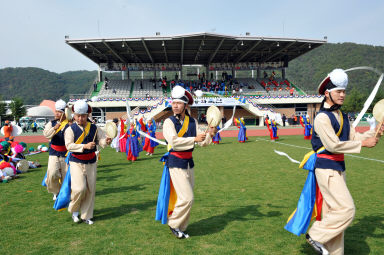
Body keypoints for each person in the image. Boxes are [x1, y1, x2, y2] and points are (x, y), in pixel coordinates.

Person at [288, 69, 383, 255]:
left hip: (339, 168)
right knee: (346, 210)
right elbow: (333, 145)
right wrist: (364, 143)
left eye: (344, 91)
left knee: (334, 214)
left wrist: (375, 132)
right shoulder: (322, 118)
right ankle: (315, 234)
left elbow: (355, 137)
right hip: (327, 169)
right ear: (327, 93)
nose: (342, 95)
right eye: (339, 91)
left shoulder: (342, 116)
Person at [155, 85, 217, 239]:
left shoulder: (192, 121)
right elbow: (174, 142)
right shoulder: (168, 122)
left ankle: (181, 227)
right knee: (187, 198)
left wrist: (210, 134)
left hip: (189, 163)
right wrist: (194, 139)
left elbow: (202, 143)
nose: (175, 105)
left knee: (187, 199)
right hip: (175, 163)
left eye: (178, 103)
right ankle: (174, 223)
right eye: (173, 102)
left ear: (185, 105)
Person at [64, 100, 112, 225]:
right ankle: (74, 210)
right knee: (79, 188)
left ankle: (87, 216)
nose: (80, 118)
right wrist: (84, 146)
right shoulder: (70, 129)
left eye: (83, 116)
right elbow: (69, 146)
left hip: (91, 161)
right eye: (78, 116)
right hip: (76, 161)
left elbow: (101, 140)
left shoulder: (94, 128)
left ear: (87, 115)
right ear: (74, 116)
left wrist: (106, 141)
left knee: (91, 189)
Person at [43, 100, 70, 200]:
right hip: (54, 152)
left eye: (59, 111)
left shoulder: (69, 124)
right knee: (52, 174)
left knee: (65, 174)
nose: (57, 113)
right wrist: (55, 128)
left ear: (64, 113)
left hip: (66, 153)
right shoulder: (52, 123)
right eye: (56, 111)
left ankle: (64, 192)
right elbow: (46, 135)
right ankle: (55, 191)